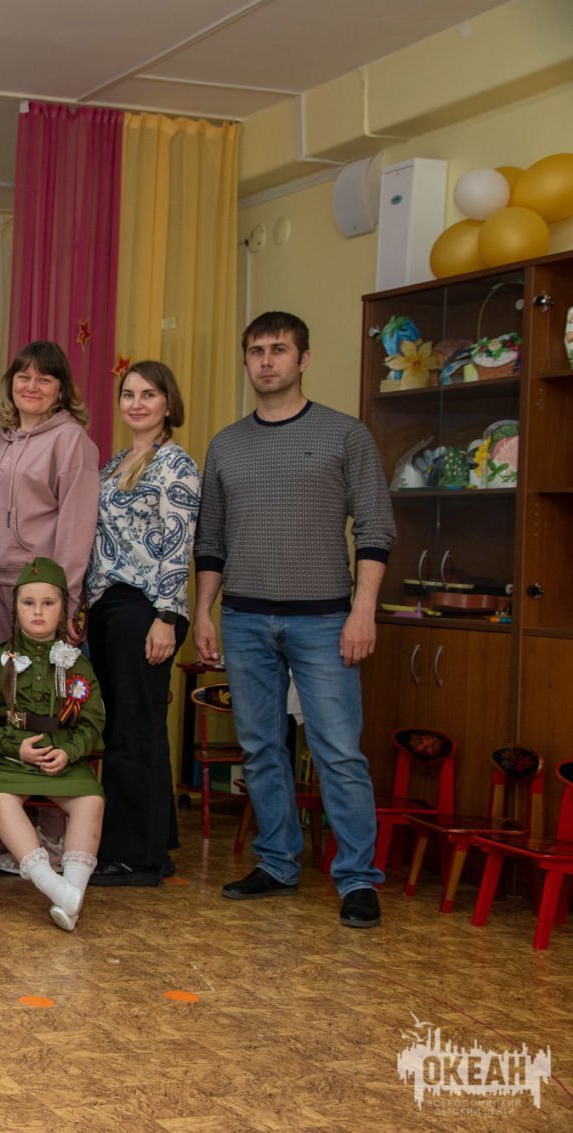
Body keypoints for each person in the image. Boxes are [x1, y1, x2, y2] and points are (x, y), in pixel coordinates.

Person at [193, 311, 394, 930]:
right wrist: (203, 611)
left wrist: (363, 612)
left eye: (279, 349)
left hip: (325, 620)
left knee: (338, 753)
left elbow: (376, 528)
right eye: (256, 350)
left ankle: (357, 879)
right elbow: (211, 541)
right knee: (260, 749)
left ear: (303, 359)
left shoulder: (345, 435)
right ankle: (277, 863)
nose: (266, 361)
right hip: (244, 617)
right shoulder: (226, 443)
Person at [85, 362, 200, 887]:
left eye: (148, 394)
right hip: (108, 607)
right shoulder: (115, 463)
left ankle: (137, 857)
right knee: (120, 728)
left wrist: (166, 617)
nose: (136, 403)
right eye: (128, 394)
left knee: (137, 730)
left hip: (146, 610)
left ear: (168, 403)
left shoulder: (176, 464)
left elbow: (178, 547)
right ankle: (153, 846)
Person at [0, 558, 106, 932]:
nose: (38, 611)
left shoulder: (77, 664)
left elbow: (92, 721)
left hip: (61, 756)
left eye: (48, 603)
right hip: (9, 758)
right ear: (15, 608)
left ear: (63, 608)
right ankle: (52, 885)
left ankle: (70, 896)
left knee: (91, 800)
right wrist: (14, 748)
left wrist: (69, 752)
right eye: (28, 603)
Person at [0, 341, 100, 646]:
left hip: (40, 586)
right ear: (11, 384)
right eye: (23, 377)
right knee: (2, 671)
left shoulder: (71, 440)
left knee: (37, 674)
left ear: (60, 390)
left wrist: (66, 597)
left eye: (44, 379)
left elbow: (77, 527)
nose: (31, 387)